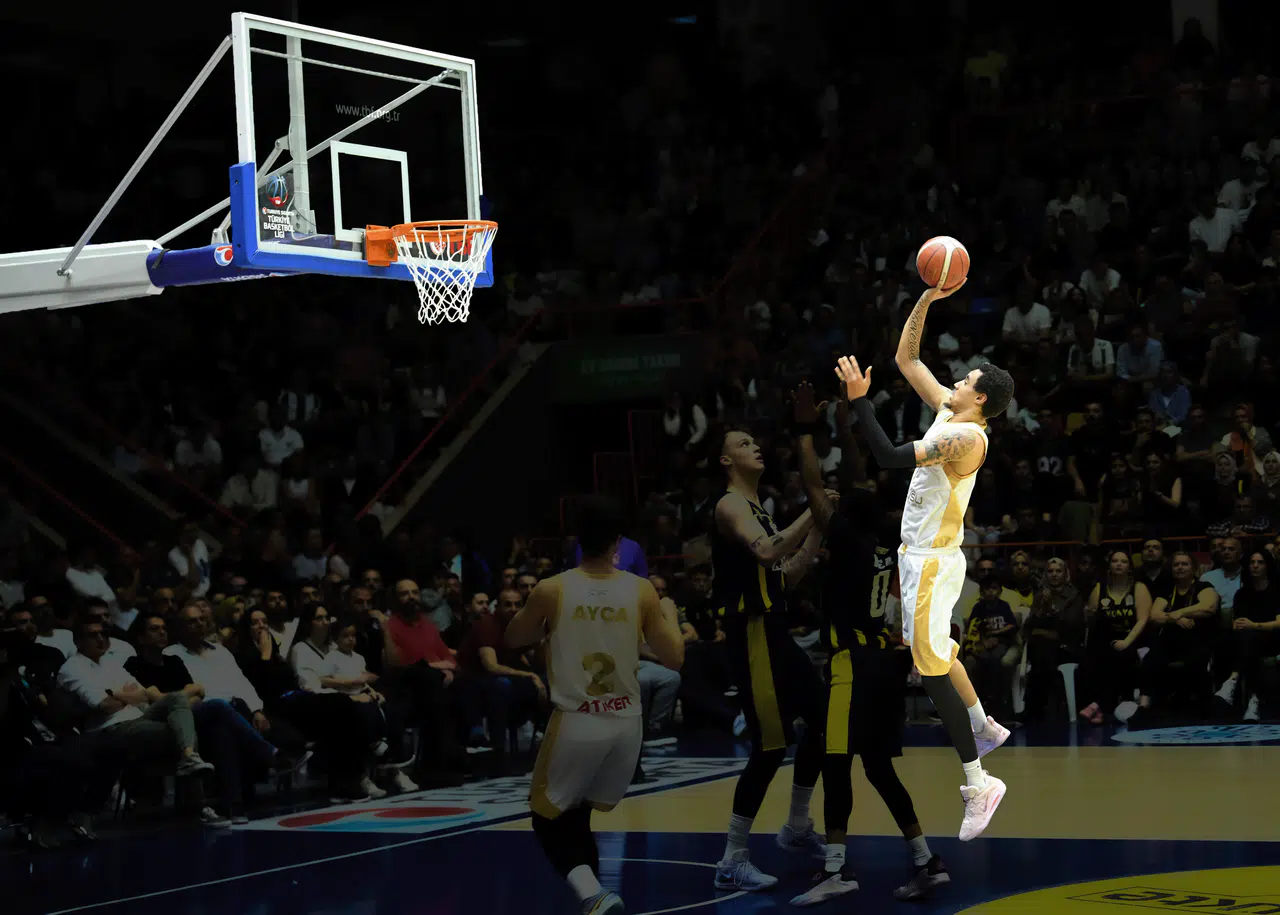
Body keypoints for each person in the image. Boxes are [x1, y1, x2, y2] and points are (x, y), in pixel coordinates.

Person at [832, 280, 1016, 843]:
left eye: (966, 382)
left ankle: (979, 782)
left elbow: (889, 457)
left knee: (929, 669)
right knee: (938, 652)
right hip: (920, 558)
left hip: (932, 563)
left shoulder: (966, 439)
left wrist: (859, 401)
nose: (955, 382)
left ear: (979, 400)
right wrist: (928, 299)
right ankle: (983, 724)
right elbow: (907, 359)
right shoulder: (946, 410)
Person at [791, 385, 947, 905]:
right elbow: (856, 481)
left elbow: (814, 484)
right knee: (878, 766)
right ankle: (926, 860)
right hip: (883, 661)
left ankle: (835, 869)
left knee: (836, 760)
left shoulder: (846, 538)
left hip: (853, 662)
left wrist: (805, 430)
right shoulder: (883, 535)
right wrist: (843, 426)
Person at [505, 495, 684, 915]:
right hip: (626, 722)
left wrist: (548, 623)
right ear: (618, 542)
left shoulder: (552, 588)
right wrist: (670, 613)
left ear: (576, 540)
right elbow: (675, 658)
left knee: (545, 815)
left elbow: (514, 638)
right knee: (577, 811)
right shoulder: (641, 589)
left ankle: (591, 893)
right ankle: (596, 899)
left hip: (578, 720)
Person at [707, 419, 827, 892]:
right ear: (726, 460)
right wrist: (813, 510)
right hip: (751, 631)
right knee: (770, 746)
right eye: (743, 443)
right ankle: (731, 858)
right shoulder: (730, 504)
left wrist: (816, 528)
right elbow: (765, 552)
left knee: (823, 722)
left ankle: (797, 825)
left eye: (755, 441)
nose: (755, 447)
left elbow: (786, 575)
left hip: (775, 627)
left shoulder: (762, 510)